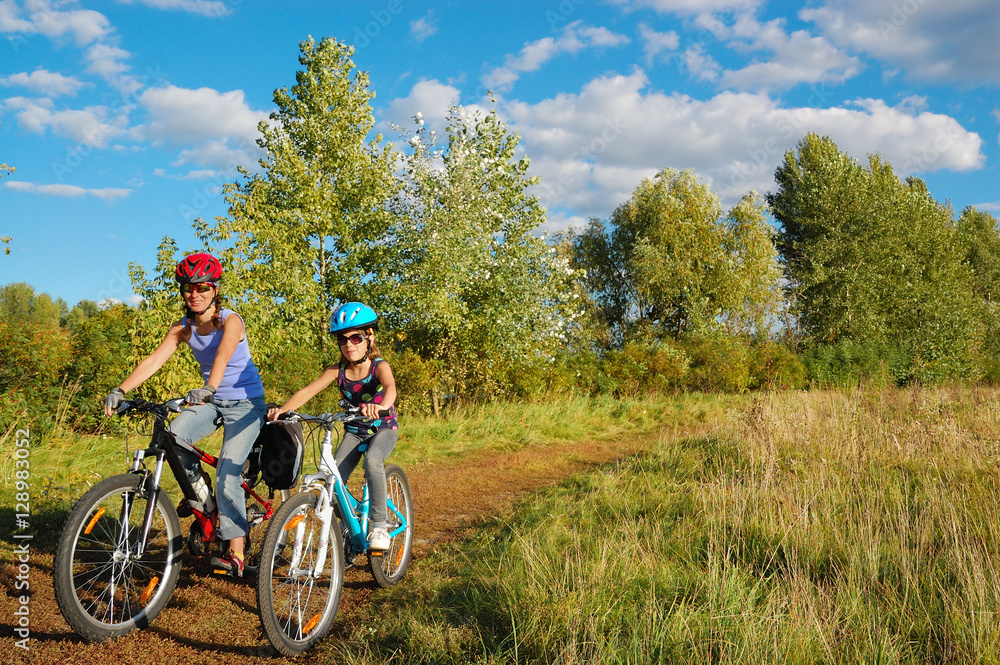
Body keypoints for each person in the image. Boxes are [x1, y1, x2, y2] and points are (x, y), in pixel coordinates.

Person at [103, 252, 266, 577]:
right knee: (174, 437)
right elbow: (155, 359)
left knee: (228, 473)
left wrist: (210, 386)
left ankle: (236, 549)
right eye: (188, 288)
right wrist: (120, 390)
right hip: (212, 399)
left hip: (247, 403)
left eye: (202, 287)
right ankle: (203, 499)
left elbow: (221, 356)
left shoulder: (230, 321)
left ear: (215, 289)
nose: (195, 293)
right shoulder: (183, 327)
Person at [267, 302, 398, 550]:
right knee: (332, 477)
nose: (349, 344)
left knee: (372, 461)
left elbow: (390, 388)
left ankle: (380, 525)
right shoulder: (337, 370)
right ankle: (351, 526)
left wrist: (380, 407)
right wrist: (283, 411)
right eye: (342, 339)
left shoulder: (379, 366)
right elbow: (308, 390)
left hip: (382, 428)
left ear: (369, 337)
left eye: (356, 337)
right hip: (354, 431)